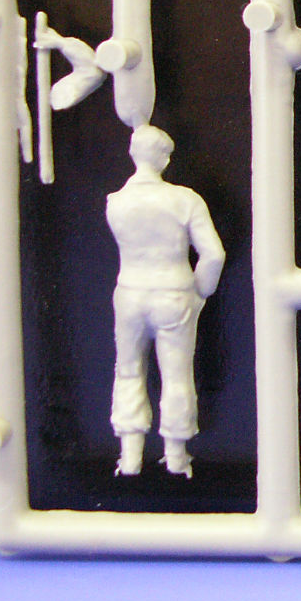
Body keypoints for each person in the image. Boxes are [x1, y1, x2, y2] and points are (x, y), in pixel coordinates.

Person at [106, 125, 225, 477]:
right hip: (174, 292)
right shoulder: (185, 200)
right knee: (176, 375)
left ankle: (130, 455)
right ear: (164, 159)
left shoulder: (115, 202)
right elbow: (213, 254)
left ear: (133, 154)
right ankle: (176, 455)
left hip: (130, 292)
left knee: (128, 369)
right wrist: (201, 292)